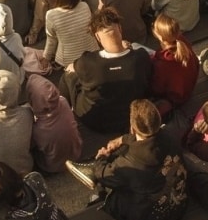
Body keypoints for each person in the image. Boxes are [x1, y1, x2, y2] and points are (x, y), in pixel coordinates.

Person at [68, 98, 188, 220]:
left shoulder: (130, 164)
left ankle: (102, 197)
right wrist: (122, 139)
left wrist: (102, 157)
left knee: (112, 181)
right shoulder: (171, 135)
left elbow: (102, 173)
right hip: (178, 206)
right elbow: (148, 139)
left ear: (132, 127)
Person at [63, 7, 151, 137]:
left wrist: (72, 67)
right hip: (130, 118)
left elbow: (73, 68)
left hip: (95, 120)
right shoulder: (140, 57)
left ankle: (62, 113)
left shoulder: (87, 62)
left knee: (68, 76)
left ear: (97, 36)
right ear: (120, 29)